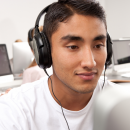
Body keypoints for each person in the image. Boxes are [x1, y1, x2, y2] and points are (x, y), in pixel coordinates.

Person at [0, 0, 119, 130]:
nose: (90, 63)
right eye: (73, 47)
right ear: (45, 51)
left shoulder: (122, 103)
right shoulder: (16, 109)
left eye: (98, 45)